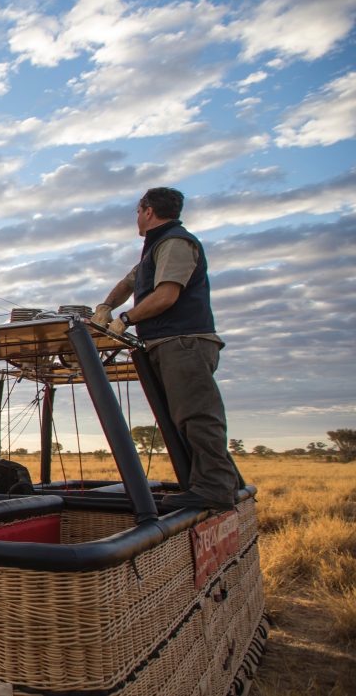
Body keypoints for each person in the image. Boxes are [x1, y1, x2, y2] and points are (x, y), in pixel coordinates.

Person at [91, 187, 240, 511]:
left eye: (137, 211)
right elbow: (130, 282)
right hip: (168, 342)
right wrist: (105, 305)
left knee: (196, 415)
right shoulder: (155, 249)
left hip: (182, 341)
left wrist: (125, 318)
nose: (137, 218)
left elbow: (166, 295)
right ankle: (217, 482)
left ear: (147, 211)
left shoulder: (174, 242)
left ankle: (214, 487)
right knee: (184, 416)